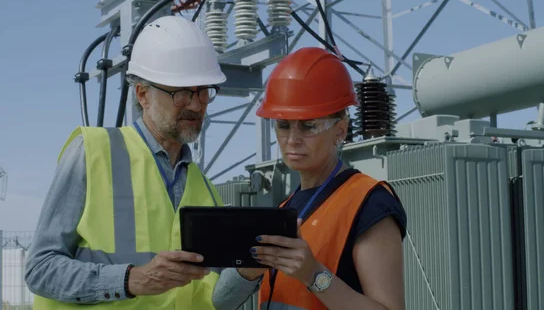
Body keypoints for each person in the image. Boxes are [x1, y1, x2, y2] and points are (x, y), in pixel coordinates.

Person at [24, 15, 263, 309]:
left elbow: (210, 301)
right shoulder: (91, 152)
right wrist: (131, 280)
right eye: (181, 93)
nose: (196, 104)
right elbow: (40, 269)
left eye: (203, 91)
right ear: (142, 94)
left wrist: (248, 273)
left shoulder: (204, 188)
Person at [226, 47, 408, 310]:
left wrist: (313, 275)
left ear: (340, 130)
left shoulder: (369, 203)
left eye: (308, 125)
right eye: (284, 125)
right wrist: (246, 267)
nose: (292, 139)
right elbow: (221, 300)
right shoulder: (285, 210)